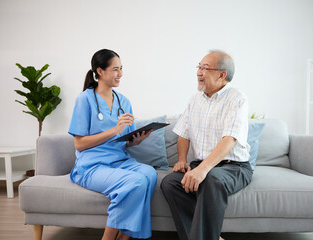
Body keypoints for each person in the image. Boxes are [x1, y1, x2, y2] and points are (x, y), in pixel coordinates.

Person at [160, 50, 253, 240]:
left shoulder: (237, 98)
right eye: (198, 67)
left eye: (205, 68)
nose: (199, 72)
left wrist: (202, 170)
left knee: (211, 180)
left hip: (234, 168)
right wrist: (182, 160)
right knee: (170, 183)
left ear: (221, 74)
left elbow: (230, 139)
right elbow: (184, 133)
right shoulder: (195, 99)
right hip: (201, 164)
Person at [68, 49, 158, 240]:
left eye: (121, 69)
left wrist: (136, 140)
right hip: (91, 166)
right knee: (134, 181)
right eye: (115, 69)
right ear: (100, 71)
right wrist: (114, 130)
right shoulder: (84, 100)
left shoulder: (123, 101)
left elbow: (124, 141)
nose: (120, 74)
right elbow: (79, 144)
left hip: (120, 161)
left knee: (149, 174)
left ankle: (124, 238)